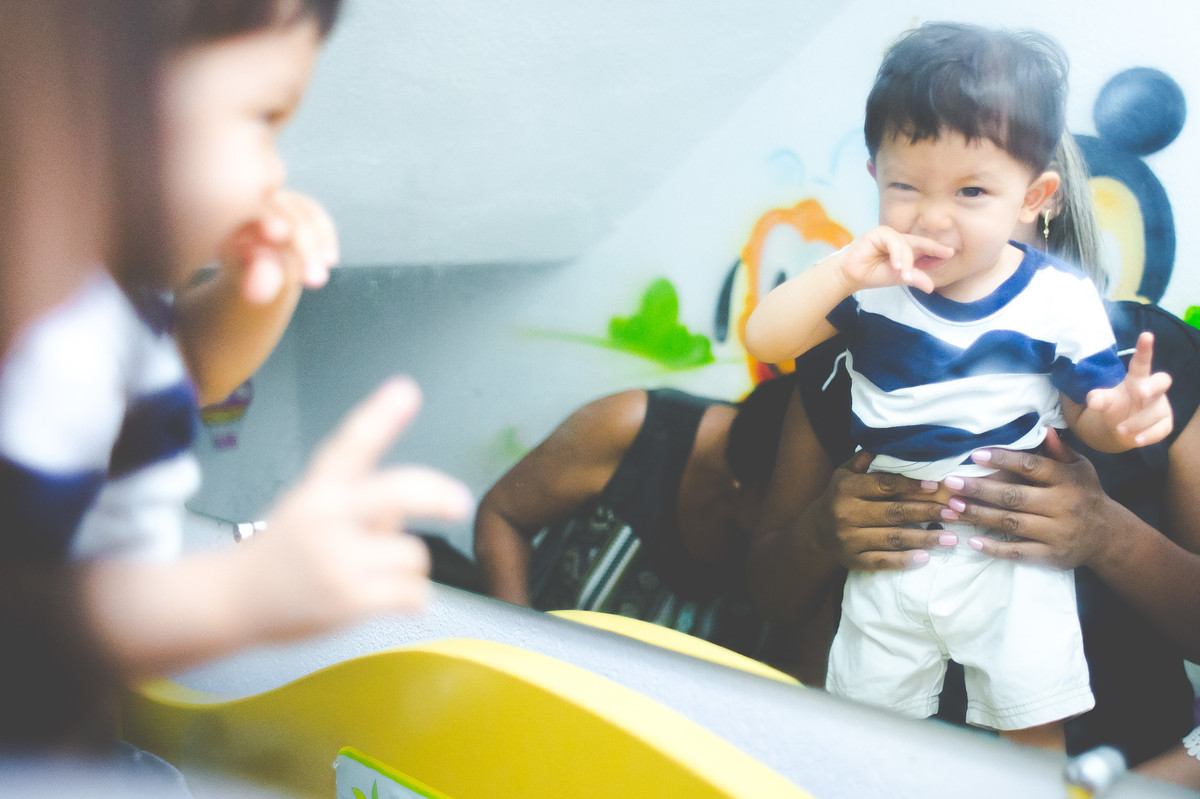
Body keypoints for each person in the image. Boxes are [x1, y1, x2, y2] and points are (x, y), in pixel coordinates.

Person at [0, 0, 472, 749]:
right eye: (264, 116)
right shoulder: (37, 349)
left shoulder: (106, 305)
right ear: (100, 92)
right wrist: (237, 593)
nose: (278, 169)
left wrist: (265, 280)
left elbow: (191, 372)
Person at [744, 22, 1172, 749]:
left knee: (1032, 714)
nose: (933, 216)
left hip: (1009, 551)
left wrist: (1123, 415)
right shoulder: (874, 283)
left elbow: (1089, 413)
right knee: (871, 724)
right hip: (895, 544)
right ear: (877, 175)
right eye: (907, 186)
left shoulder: (1056, 299)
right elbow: (766, 339)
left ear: (1033, 196)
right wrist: (841, 271)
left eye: (972, 191)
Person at [474, 377, 794, 661]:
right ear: (745, 490)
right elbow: (502, 516)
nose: (794, 528)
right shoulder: (633, 427)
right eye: (791, 513)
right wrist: (520, 649)